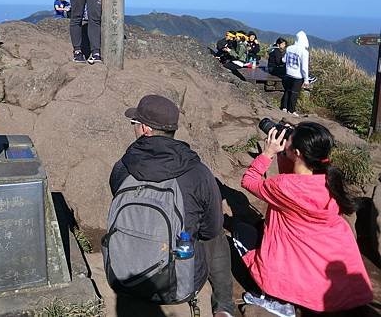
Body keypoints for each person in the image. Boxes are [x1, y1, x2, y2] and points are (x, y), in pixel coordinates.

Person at [109, 95, 234, 317]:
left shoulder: (123, 167)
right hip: (178, 287)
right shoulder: (199, 173)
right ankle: (224, 307)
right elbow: (210, 229)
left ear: (145, 129)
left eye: (135, 124)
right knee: (217, 236)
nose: (134, 128)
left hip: (123, 276)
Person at [240, 122, 373, 314]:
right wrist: (288, 150)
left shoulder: (284, 187)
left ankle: (276, 299)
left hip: (296, 254)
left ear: (298, 153)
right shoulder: (329, 179)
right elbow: (297, 175)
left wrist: (268, 152)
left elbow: (249, 181)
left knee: (240, 233)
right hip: (333, 258)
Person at [281, 31, 309, 117]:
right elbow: (304, 67)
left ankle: (284, 107)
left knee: (287, 91)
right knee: (294, 93)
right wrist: (306, 79)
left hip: (288, 74)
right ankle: (291, 110)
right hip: (298, 76)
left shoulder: (289, 48)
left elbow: (284, 60)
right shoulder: (304, 51)